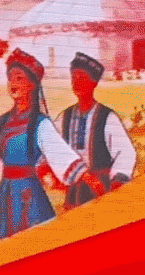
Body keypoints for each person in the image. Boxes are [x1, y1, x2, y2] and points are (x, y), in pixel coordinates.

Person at [0, 49, 86, 242]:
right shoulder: (2, 122)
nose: (13, 83)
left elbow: (60, 154)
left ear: (32, 85)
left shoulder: (40, 123)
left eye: (19, 78)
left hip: (29, 194)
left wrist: (86, 177)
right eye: (10, 78)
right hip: (5, 194)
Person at [57, 50, 136, 205]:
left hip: (100, 190)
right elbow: (52, 147)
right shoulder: (64, 117)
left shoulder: (106, 117)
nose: (76, 82)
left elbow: (126, 152)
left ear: (94, 83)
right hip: (74, 191)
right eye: (74, 77)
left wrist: (117, 181)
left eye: (82, 77)